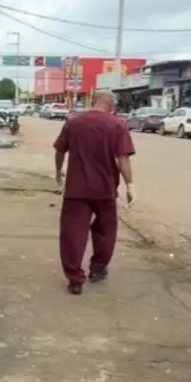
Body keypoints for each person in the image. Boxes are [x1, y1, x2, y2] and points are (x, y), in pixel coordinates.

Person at [53, 90, 136, 295]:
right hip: (105, 190)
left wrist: (58, 172)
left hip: (76, 189)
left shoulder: (74, 122)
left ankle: (75, 279)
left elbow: (60, 150)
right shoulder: (118, 125)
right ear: (110, 103)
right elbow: (123, 158)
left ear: (94, 101)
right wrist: (130, 185)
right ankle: (98, 269)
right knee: (106, 232)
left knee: (73, 234)